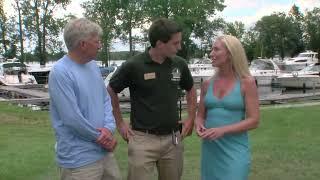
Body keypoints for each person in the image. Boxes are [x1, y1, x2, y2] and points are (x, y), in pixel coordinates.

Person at [107, 18, 197, 180]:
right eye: (175, 43)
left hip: (173, 139)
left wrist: (191, 118)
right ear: (160, 43)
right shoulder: (134, 65)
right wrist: (119, 122)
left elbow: (191, 89)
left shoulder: (179, 64)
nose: (180, 47)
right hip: (142, 139)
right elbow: (111, 90)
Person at [48, 18, 121, 180]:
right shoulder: (60, 72)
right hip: (79, 160)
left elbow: (105, 100)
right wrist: (101, 138)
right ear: (83, 44)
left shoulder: (93, 66)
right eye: (96, 41)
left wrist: (109, 128)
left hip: (104, 154)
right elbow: (71, 118)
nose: (100, 45)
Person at [195, 35, 260, 180]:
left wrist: (222, 130)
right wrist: (198, 124)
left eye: (216, 49)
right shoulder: (207, 84)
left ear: (230, 54)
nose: (211, 54)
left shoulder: (247, 83)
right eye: (211, 49)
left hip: (235, 151)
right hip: (211, 151)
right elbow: (200, 115)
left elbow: (254, 120)